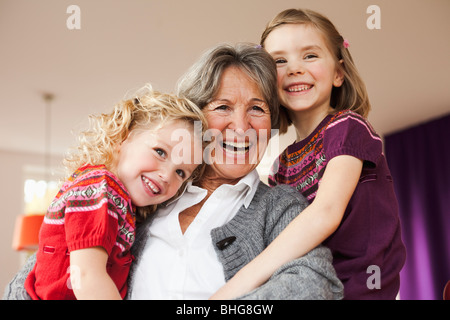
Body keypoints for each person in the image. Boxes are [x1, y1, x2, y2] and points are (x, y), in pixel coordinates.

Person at [4, 43, 343, 300]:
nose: (241, 127)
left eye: (257, 109)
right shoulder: (143, 194)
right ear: (195, 116)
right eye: (223, 107)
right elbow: (40, 277)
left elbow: (315, 285)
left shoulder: (280, 206)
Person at [210, 9, 406, 300]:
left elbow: (324, 214)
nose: (294, 69)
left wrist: (230, 290)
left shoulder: (347, 127)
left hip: (359, 290)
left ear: (339, 73)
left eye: (310, 55)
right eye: (279, 60)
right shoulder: (282, 165)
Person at [22, 86, 207, 300]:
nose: (167, 175)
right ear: (123, 138)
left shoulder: (120, 202)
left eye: (180, 172)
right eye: (160, 152)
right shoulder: (99, 187)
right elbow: (86, 275)